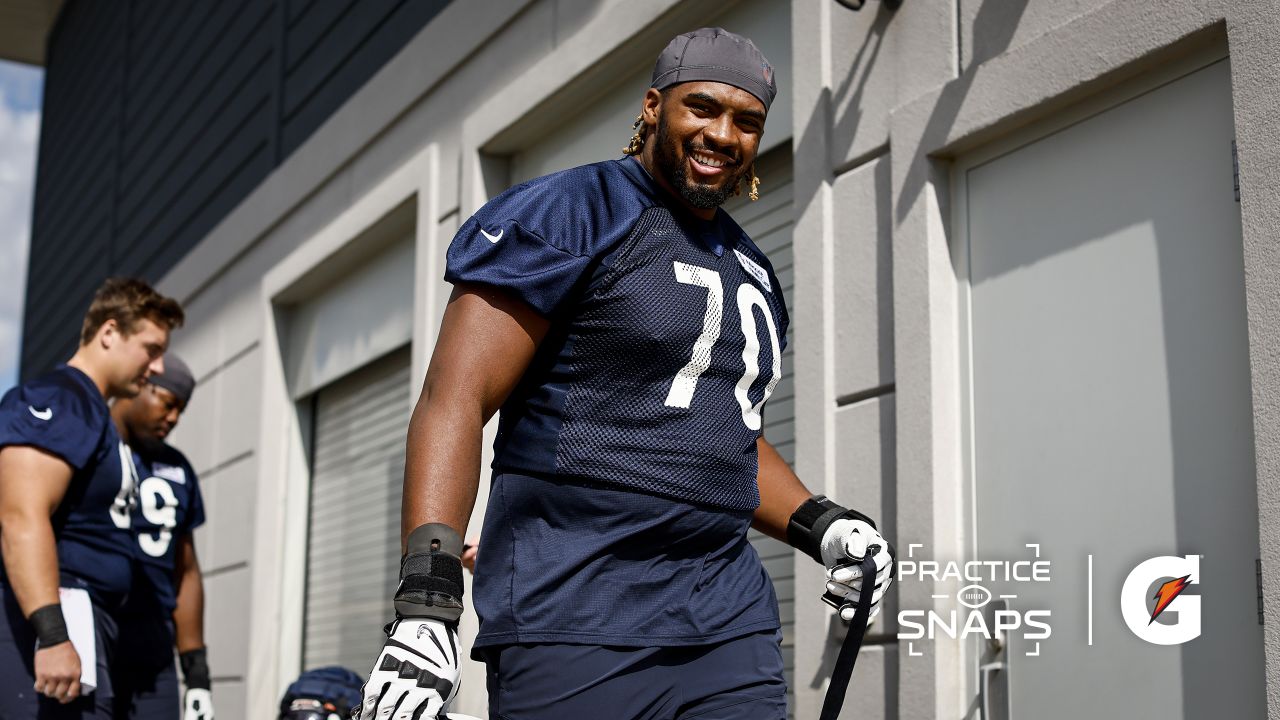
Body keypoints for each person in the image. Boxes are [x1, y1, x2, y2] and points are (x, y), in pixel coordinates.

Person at [357, 28, 895, 719]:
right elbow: (453, 400)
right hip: (575, 614)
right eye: (701, 108)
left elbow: (722, 431)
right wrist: (427, 603)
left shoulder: (754, 268)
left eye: (747, 121)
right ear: (652, 106)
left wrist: (822, 523)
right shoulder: (571, 212)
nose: (723, 134)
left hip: (725, 621)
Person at [0, 277, 184, 718]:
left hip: (86, 622)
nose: (157, 366)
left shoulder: (93, 413)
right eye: (151, 348)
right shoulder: (61, 399)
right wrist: (52, 633)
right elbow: (20, 515)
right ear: (108, 333)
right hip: (46, 628)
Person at [109, 354, 213, 720]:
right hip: (93, 637)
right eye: (167, 403)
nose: (173, 418)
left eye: (180, 410)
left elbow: (185, 572)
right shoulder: (90, 447)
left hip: (153, 655)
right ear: (140, 385)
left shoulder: (178, 468)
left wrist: (197, 673)